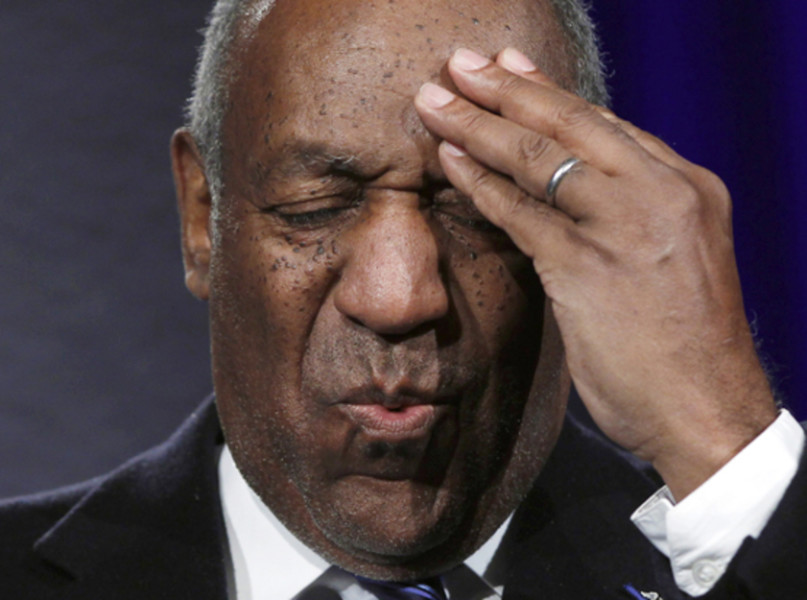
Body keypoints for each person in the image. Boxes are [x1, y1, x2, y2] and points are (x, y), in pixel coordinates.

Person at [1, 0, 804, 598]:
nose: (398, 297)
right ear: (202, 217)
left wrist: (719, 439)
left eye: (475, 207)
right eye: (314, 207)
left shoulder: (727, 562)